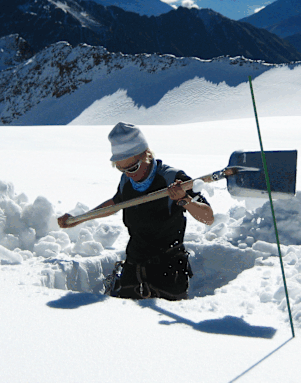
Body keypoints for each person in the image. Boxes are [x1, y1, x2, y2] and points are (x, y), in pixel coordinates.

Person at [57, 122, 214, 300]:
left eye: (132, 168)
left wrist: (185, 200)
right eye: (121, 168)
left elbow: (208, 217)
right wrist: (81, 218)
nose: (128, 174)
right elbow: (115, 204)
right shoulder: (127, 181)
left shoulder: (172, 178)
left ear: (146, 154)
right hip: (134, 268)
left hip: (170, 271)